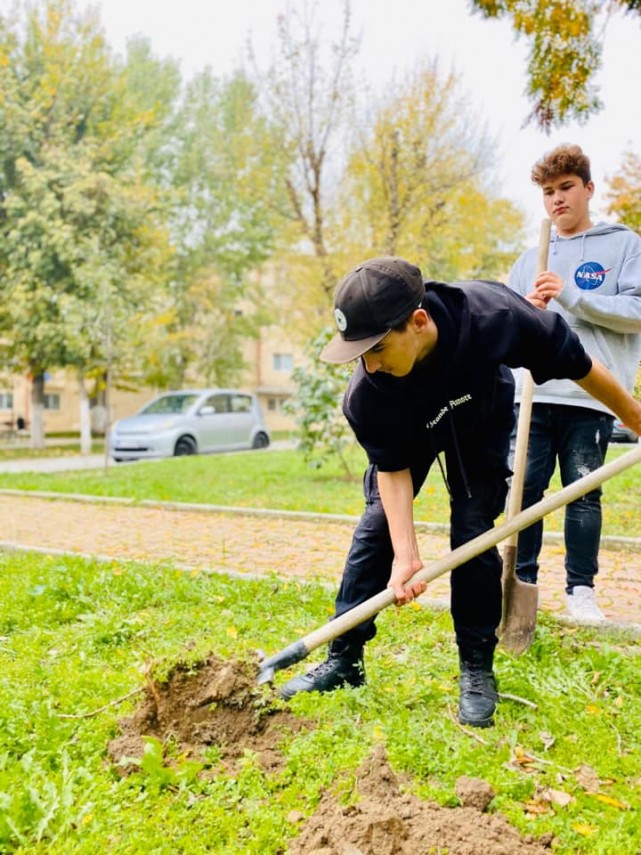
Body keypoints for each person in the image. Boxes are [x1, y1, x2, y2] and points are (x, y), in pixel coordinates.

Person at [279, 256, 641, 727]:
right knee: (376, 529)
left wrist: (635, 419)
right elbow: (392, 470)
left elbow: (581, 366)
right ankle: (344, 659)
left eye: (379, 348)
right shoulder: (369, 390)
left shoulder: (497, 318)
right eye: (360, 352)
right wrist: (406, 556)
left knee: (472, 533)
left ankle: (476, 669)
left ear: (419, 322)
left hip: (478, 417)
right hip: (409, 426)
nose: (369, 364)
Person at [508, 144, 641, 622]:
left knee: (584, 492)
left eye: (566, 188)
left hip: (595, 394)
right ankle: (521, 582)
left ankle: (580, 591)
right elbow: (507, 328)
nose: (557, 200)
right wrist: (529, 315)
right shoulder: (531, 257)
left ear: (588, 188)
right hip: (535, 395)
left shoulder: (624, 245)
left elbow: (637, 313)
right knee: (525, 493)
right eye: (548, 192)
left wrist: (573, 296)